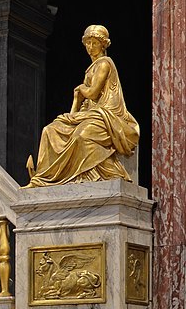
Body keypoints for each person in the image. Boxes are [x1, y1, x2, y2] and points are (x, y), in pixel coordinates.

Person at [26, 24, 139, 187]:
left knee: (81, 135)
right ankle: (42, 177)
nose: (90, 47)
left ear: (103, 44)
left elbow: (92, 93)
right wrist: (73, 111)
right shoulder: (90, 70)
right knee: (50, 130)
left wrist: (80, 90)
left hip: (108, 115)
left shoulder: (104, 64)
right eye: (88, 43)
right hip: (91, 114)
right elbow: (83, 105)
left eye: (95, 43)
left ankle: (97, 172)